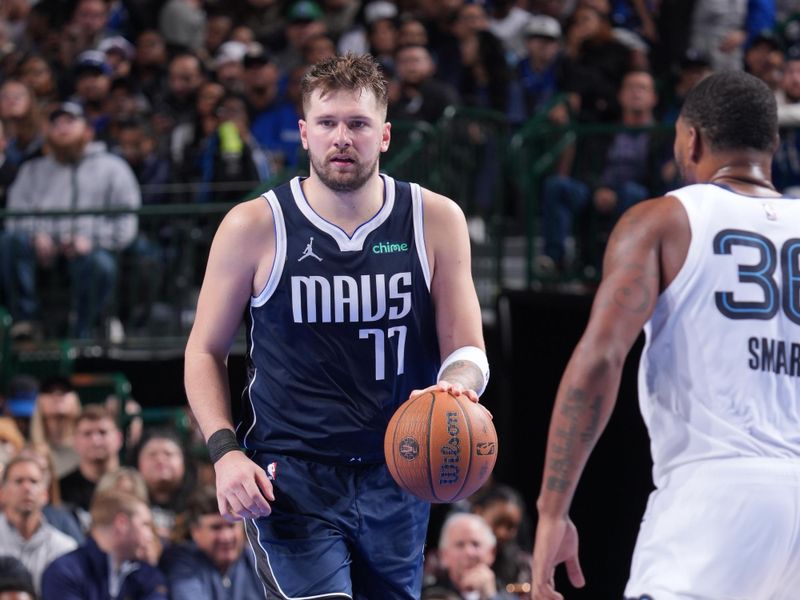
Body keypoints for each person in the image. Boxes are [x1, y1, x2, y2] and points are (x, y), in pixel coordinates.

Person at [184, 53, 488, 599]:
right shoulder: (254, 225)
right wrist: (225, 452)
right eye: (327, 123)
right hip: (291, 477)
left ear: (386, 135)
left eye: (358, 124)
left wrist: (459, 387)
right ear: (304, 133)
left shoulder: (435, 219)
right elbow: (204, 350)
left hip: (398, 469)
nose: (341, 137)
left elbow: (467, 347)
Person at [530, 70, 800, 599]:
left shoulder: (662, 220)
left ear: (690, 139)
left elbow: (601, 360)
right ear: (772, 143)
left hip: (715, 501)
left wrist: (552, 510)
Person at [41, 490, 168, 600]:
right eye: (145, 524)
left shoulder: (145, 572)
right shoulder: (64, 572)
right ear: (122, 523)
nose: (151, 536)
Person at [159, 484, 261, 600]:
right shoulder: (180, 561)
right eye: (216, 528)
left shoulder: (257, 559)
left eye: (231, 526)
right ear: (195, 531)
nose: (226, 537)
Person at [0, 456, 77, 594]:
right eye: (18, 481)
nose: (27, 488)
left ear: (45, 495)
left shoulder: (64, 549)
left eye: (34, 482)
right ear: (2, 493)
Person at [422, 513, 516, 600]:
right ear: (443, 555)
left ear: (492, 552)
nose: (469, 552)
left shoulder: (508, 597)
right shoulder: (428, 595)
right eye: (460, 544)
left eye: (475, 544)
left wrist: (490, 596)